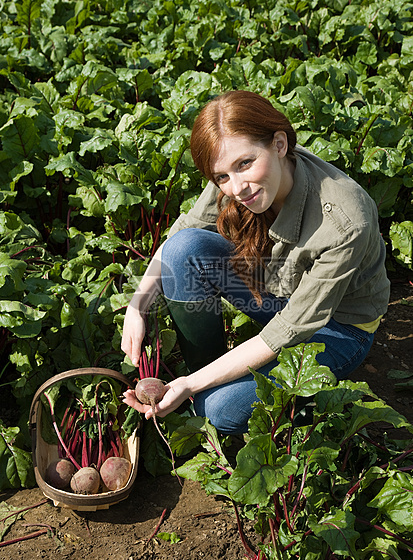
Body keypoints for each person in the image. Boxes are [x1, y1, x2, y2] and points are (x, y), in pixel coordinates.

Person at [121, 90, 390, 435]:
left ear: (279, 144)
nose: (237, 187)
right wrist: (137, 305)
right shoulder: (234, 176)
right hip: (278, 291)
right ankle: (204, 373)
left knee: (219, 409)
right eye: (222, 176)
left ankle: (305, 402)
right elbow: (182, 234)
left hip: (337, 328)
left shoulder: (345, 222)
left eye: (245, 164)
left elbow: (287, 329)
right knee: (181, 250)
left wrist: (189, 385)